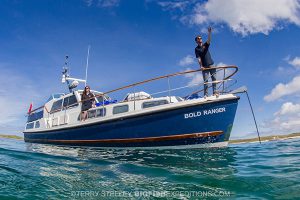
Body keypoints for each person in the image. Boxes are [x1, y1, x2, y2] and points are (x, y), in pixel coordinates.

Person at [195, 27, 218, 97]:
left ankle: (215, 92)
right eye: (198, 39)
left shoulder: (205, 45)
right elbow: (198, 58)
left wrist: (209, 33)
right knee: (206, 81)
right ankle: (206, 94)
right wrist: (201, 66)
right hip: (204, 66)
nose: (200, 39)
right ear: (196, 41)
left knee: (214, 79)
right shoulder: (196, 49)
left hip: (211, 64)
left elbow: (209, 40)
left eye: (200, 38)